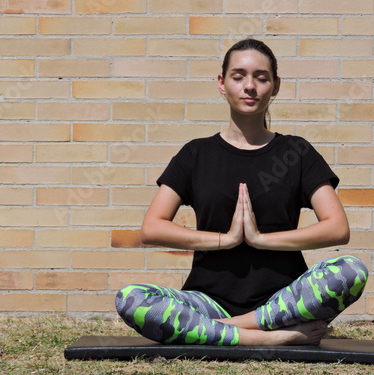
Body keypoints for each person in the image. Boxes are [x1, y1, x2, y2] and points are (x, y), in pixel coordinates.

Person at [115, 38, 368, 346]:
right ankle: (265, 339)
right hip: (208, 300)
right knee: (131, 298)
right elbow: (152, 228)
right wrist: (227, 240)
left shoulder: (297, 152)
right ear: (222, 83)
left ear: (275, 86)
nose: (250, 86)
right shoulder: (196, 154)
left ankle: (222, 329)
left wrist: (261, 240)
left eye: (261, 78)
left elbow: (337, 228)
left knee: (351, 270)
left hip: (283, 303)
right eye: (238, 76)